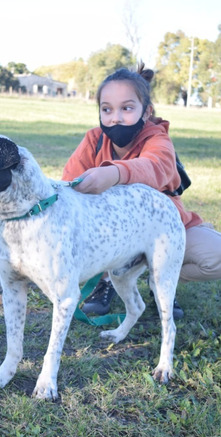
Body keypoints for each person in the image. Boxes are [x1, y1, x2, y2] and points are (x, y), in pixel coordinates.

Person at [62, 63, 221, 320]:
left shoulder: (158, 139)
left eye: (127, 108)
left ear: (146, 112)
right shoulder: (93, 140)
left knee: (217, 256)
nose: (115, 118)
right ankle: (109, 281)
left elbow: (156, 167)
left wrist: (114, 173)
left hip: (166, 232)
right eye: (107, 109)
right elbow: (69, 184)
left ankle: (161, 279)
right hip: (112, 236)